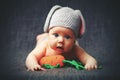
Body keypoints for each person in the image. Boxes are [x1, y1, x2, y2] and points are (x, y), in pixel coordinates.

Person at [25, 5, 98, 71]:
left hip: (67, 42)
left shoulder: (75, 48)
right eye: (56, 35)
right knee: (42, 39)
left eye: (67, 37)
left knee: (76, 45)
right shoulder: (45, 46)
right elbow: (31, 56)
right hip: (45, 39)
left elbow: (89, 58)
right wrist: (33, 64)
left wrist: (90, 63)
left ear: (74, 39)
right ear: (49, 32)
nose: (61, 40)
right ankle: (42, 36)